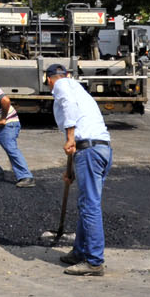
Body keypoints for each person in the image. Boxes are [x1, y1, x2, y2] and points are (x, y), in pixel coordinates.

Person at [46, 64, 110, 277]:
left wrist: (70, 138)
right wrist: (72, 169)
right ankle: (80, 251)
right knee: (87, 204)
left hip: (89, 150)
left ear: (49, 80)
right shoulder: (79, 89)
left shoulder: (62, 86)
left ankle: (94, 262)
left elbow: (69, 107)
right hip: (100, 149)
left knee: (90, 206)